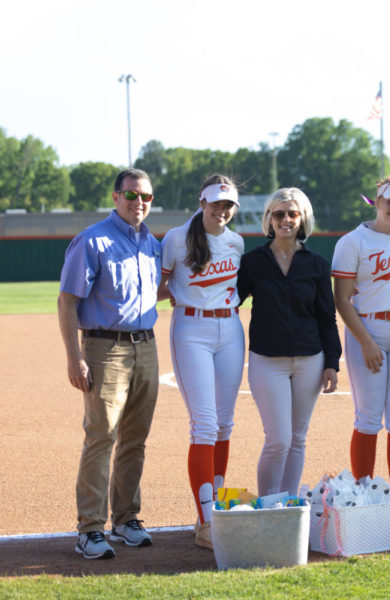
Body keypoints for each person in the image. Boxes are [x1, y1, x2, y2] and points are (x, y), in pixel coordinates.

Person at [58, 168, 159, 559]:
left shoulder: (152, 243)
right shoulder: (92, 240)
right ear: (116, 197)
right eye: (131, 195)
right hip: (105, 348)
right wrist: (74, 357)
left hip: (146, 346)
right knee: (102, 435)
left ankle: (126, 519)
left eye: (146, 197)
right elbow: (67, 301)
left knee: (135, 438)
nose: (139, 203)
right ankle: (89, 529)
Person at [238, 188, 341, 503]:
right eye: (279, 214)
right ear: (269, 218)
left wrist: (332, 363)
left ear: (302, 218)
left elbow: (327, 317)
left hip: (310, 359)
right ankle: (268, 504)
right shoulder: (252, 262)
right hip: (267, 360)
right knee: (278, 439)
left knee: (297, 439)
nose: (285, 219)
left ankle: (289, 504)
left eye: (292, 214)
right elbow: (229, 300)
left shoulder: (318, 265)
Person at [159, 174, 244, 549]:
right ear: (202, 202)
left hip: (231, 330)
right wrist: (177, 291)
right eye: (216, 203)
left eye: (228, 205)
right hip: (191, 330)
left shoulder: (236, 242)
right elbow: (158, 288)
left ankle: (215, 512)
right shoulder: (177, 238)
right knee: (205, 425)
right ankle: (207, 520)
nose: (222, 211)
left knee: (224, 424)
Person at [332, 176, 390, 507]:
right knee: (368, 417)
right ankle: (363, 495)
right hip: (367, 330)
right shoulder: (352, 241)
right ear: (376, 200)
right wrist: (366, 341)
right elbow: (341, 299)